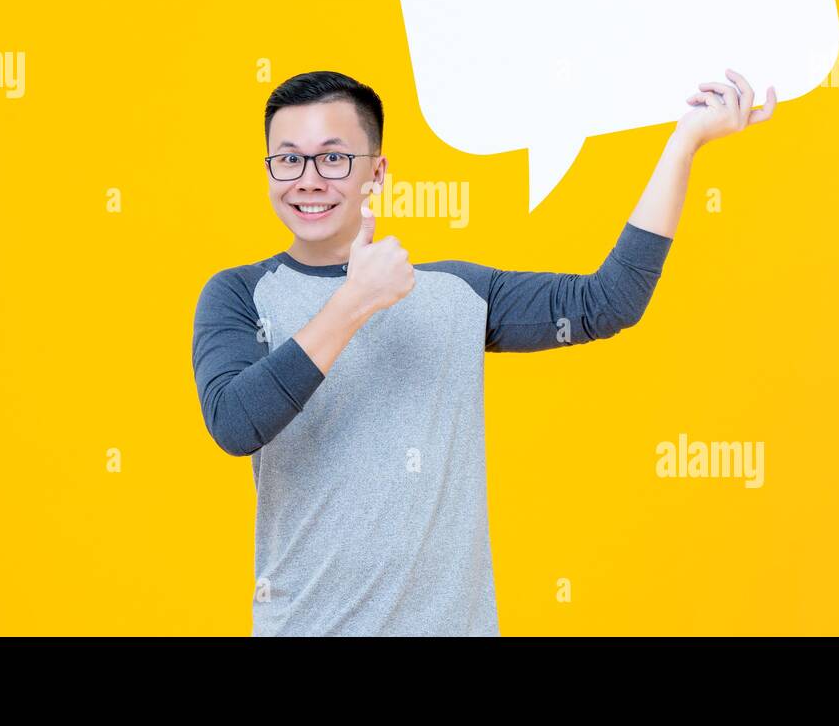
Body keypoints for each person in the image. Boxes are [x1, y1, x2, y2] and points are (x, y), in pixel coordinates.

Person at [191, 69, 776, 635]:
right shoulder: (240, 294)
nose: (309, 179)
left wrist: (683, 145)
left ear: (378, 171)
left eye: (334, 158)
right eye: (288, 158)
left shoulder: (455, 295)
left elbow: (608, 302)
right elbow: (236, 423)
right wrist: (353, 302)